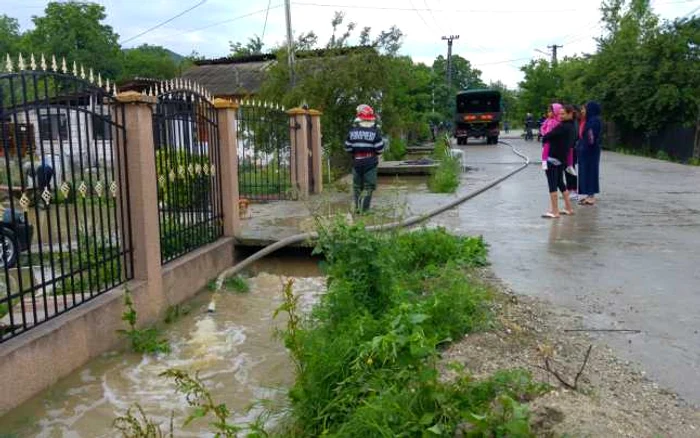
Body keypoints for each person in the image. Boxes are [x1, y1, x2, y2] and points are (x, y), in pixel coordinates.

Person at [345, 104, 384, 213]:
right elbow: (380, 149)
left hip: (356, 162)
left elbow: (348, 148)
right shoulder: (375, 132)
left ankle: (357, 209)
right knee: (368, 187)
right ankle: (365, 210)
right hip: (370, 163)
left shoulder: (352, 131)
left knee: (357, 187)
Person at [540, 105, 577, 218]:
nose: (560, 116)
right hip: (562, 159)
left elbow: (546, 137)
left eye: (563, 114)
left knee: (552, 184)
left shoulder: (562, 127)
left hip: (553, 158)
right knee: (561, 183)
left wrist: (546, 135)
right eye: (559, 114)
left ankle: (554, 211)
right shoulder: (573, 126)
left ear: (570, 114)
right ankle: (569, 208)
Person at [577, 101, 602, 206]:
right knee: (585, 171)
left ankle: (591, 196)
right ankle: (588, 195)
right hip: (585, 150)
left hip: (590, 151)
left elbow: (591, 137)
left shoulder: (594, 121)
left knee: (591, 171)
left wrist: (585, 146)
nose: (582, 111)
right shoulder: (588, 120)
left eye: (584, 109)